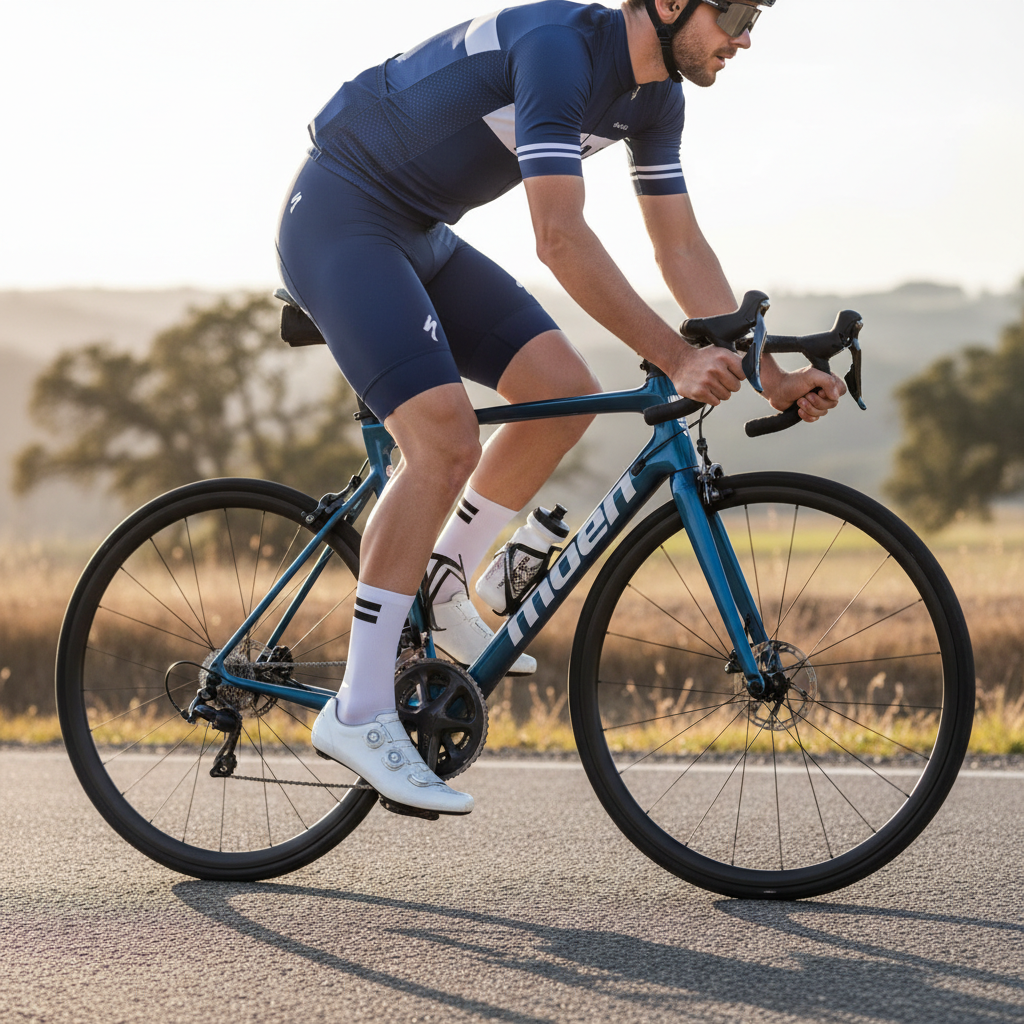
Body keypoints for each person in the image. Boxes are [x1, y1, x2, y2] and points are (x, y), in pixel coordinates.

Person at [277, 0, 846, 817]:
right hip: (343, 214)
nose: (746, 37)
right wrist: (679, 357)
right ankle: (360, 709)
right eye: (736, 12)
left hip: (420, 231)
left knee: (562, 392)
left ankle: (443, 580)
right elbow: (560, 237)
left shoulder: (657, 97)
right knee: (442, 442)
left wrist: (771, 374)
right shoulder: (560, 51)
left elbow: (680, 248)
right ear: (671, 2)